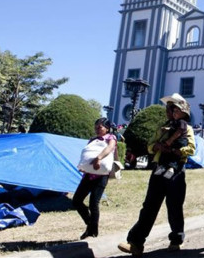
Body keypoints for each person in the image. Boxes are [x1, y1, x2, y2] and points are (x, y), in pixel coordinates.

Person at [118, 94, 196, 257]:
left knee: (174, 206)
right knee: (149, 206)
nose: (168, 111)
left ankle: (176, 239)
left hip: (176, 172)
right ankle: (136, 243)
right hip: (158, 169)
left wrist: (175, 150)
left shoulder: (186, 128)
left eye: (171, 108)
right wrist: (157, 146)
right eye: (168, 108)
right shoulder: (162, 127)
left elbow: (191, 148)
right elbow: (150, 145)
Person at [73, 117, 117, 239]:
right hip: (88, 175)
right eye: (96, 127)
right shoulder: (92, 140)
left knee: (93, 203)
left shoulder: (111, 138)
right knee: (76, 200)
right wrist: (84, 166)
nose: (97, 129)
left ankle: (93, 231)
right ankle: (90, 225)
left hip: (101, 176)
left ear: (107, 128)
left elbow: (110, 148)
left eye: (100, 127)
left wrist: (99, 158)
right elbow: (86, 155)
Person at [153, 106, 189, 179]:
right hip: (176, 141)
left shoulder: (182, 122)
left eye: (177, 111)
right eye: (174, 111)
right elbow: (173, 128)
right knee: (169, 154)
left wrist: (170, 140)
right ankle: (165, 168)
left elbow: (179, 131)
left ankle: (170, 168)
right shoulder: (176, 122)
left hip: (179, 141)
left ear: (184, 114)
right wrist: (167, 129)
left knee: (174, 155)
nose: (174, 113)